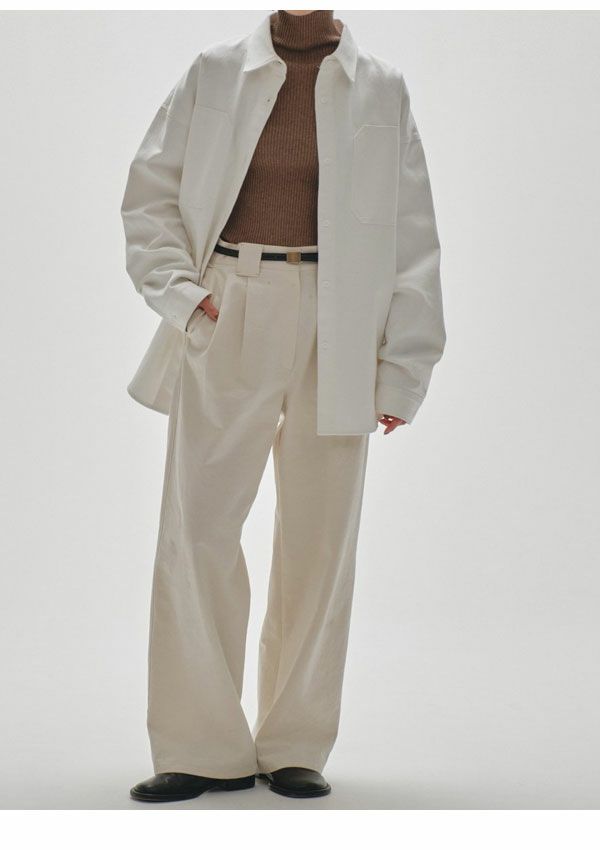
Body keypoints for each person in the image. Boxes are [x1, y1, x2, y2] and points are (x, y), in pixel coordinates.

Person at [121, 9, 446, 802]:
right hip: (231, 301)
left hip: (344, 317)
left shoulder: (382, 88)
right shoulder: (214, 70)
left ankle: (295, 743)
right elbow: (150, 193)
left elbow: (413, 234)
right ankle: (199, 746)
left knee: (320, 537)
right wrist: (186, 297)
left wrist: (402, 366)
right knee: (199, 528)